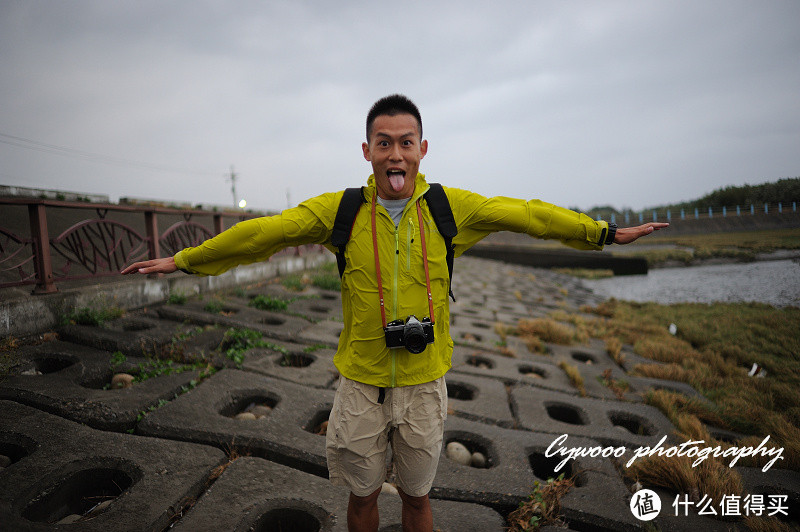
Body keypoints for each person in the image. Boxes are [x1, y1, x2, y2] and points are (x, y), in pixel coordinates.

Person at [122, 94, 667, 531]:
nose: (396, 155)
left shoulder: (451, 209)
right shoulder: (341, 211)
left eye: (406, 143)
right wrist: (186, 261)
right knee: (361, 499)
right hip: (359, 384)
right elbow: (265, 233)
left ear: (423, 148)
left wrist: (604, 234)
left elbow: (529, 216)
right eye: (384, 143)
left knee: (418, 499)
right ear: (367, 150)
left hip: (426, 385)